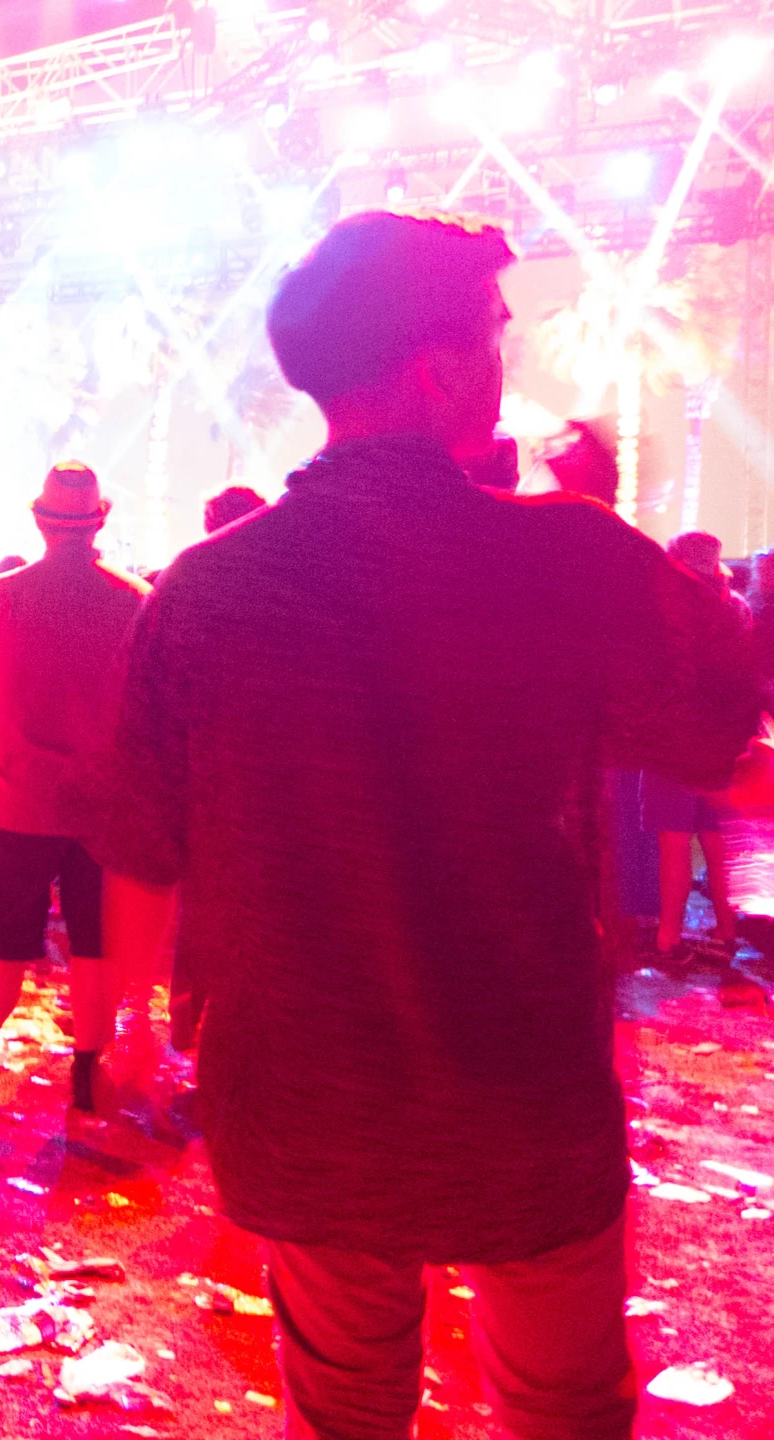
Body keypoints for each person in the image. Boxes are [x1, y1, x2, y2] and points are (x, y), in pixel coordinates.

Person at [97, 210, 756, 1438]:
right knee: (562, 1407)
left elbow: (142, 841)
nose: (506, 361)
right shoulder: (562, 555)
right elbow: (717, 704)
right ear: (434, 368)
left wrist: (131, 1027)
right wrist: (597, 504)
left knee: (341, 1405)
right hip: (522, 1105)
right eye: (495, 334)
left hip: (307, 1103)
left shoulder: (204, 589)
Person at [0, 463, 148, 1114]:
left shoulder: (4, 594)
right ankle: (87, 1077)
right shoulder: (134, 598)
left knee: (5, 939)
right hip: (102, 802)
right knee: (94, 942)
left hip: (22, 798)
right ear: (99, 519)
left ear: (41, 522)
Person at [644, 530, 749, 957]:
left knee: (673, 841)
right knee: (716, 838)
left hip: (675, 739)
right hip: (725, 743)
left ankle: (668, 938)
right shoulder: (736, 609)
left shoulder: (669, 608)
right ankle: (726, 932)